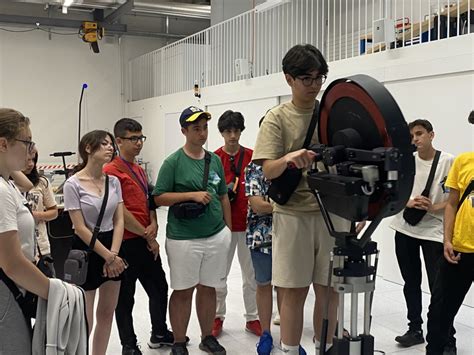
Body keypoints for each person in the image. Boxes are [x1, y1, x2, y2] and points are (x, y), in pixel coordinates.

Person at [252, 44, 350, 355]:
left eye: (319, 77)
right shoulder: (277, 119)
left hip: (333, 213)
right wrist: (291, 158)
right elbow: (267, 170)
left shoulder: (335, 115)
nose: (314, 85)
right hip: (293, 213)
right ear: (288, 79)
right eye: (306, 78)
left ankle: (326, 346)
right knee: (293, 291)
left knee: (331, 288)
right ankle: (290, 350)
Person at [153, 106, 231, 355]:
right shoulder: (173, 162)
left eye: (205, 128)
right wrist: (191, 195)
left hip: (216, 234)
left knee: (209, 288)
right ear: (184, 131)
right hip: (184, 238)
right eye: (196, 128)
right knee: (183, 290)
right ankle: (178, 341)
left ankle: (207, 337)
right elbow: (158, 198)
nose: (202, 133)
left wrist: (227, 229)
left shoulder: (214, 160)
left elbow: (223, 197)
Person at [104, 118, 173, 355]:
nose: (138, 144)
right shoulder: (110, 171)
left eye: (141, 138)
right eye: (133, 139)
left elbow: (148, 200)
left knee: (159, 287)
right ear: (119, 141)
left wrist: (153, 222)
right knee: (125, 298)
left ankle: (159, 332)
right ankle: (129, 345)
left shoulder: (140, 170)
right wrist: (146, 234)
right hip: (125, 244)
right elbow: (119, 209)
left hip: (145, 241)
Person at [389, 119, 454, 347]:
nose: (415, 139)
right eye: (412, 136)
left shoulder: (448, 161)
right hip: (405, 228)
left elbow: (456, 199)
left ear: (431, 135)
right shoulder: (407, 162)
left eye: (419, 134)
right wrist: (410, 202)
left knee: (440, 288)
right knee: (411, 282)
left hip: (433, 232)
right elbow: (393, 193)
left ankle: (445, 335)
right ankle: (414, 328)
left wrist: (433, 207)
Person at [63, 130, 127, 355]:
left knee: (107, 313)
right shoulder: (73, 184)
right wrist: (107, 256)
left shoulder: (114, 182)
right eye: (104, 144)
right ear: (88, 149)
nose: (110, 148)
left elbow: (119, 221)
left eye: (111, 144)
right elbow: (79, 227)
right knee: (85, 318)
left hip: (113, 246)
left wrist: (114, 254)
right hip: (86, 249)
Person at [0, 108, 49, 353]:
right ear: (3, 144)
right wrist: (55, 293)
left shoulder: (7, 183)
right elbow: (12, 263)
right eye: (27, 142)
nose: (31, 150)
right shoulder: (0, 191)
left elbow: (27, 183)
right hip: (5, 291)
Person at [426, 115, 474, 355]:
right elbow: (451, 204)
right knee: (440, 312)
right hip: (460, 250)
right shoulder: (464, 162)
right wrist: (447, 239)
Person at [213, 110, 260, 337]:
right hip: (223, 227)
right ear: (221, 133)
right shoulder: (213, 159)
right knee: (218, 275)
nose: (232, 136)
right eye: (228, 131)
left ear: (241, 131)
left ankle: (253, 318)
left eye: (236, 131)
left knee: (251, 276)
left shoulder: (253, 156)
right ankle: (216, 316)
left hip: (251, 225)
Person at [245, 148, 282, 355]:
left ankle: (288, 337)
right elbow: (257, 205)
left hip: (289, 236)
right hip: (261, 237)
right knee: (263, 284)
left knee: (288, 288)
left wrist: (273, 205)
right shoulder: (254, 168)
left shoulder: (292, 166)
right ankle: (266, 333)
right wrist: (285, 207)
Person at [23, 150, 58, 276]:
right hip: (20, 247)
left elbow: (54, 212)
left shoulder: (42, 182)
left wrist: (36, 215)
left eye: (34, 160)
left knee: (48, 287)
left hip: (41, 246)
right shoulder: (8, 184)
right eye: (27, 160)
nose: (31, 164)